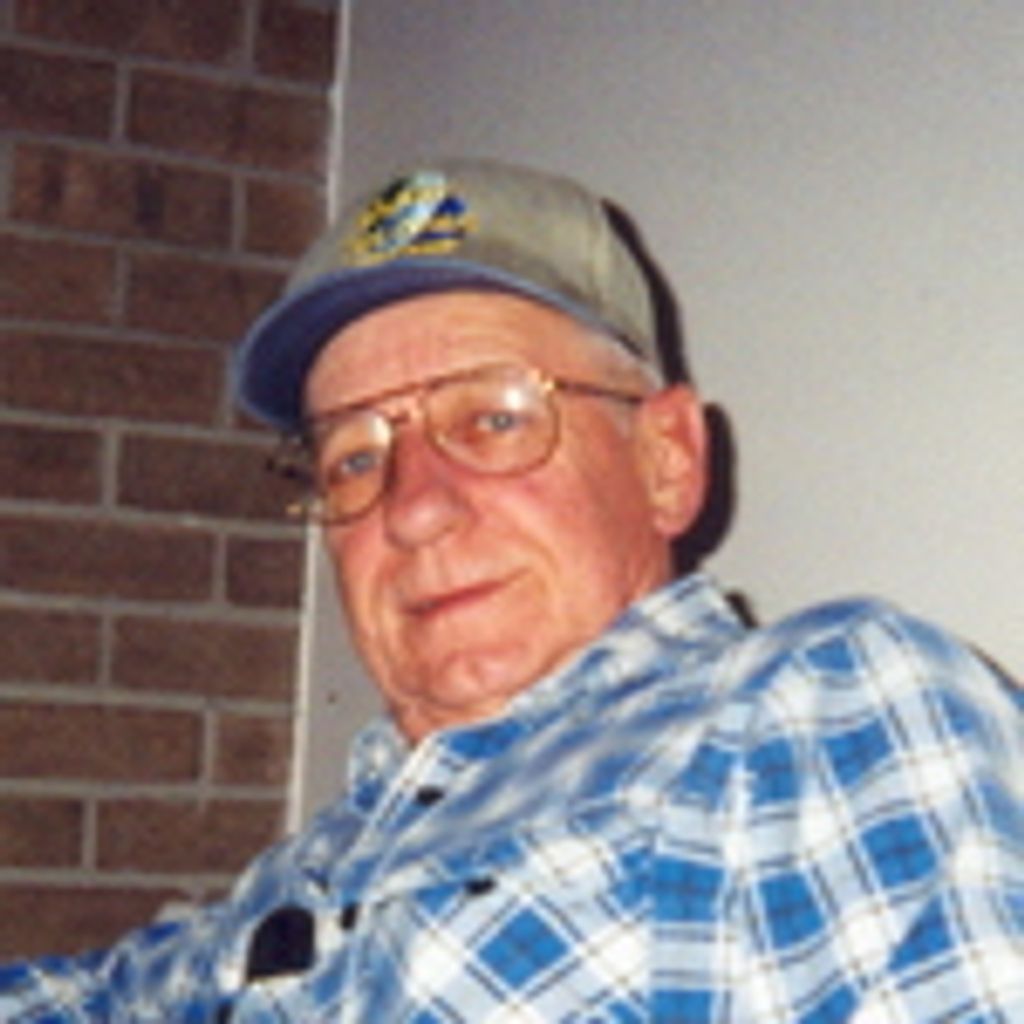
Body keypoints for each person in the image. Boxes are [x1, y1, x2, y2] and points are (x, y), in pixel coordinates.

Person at [2, 158, 1022, 1022]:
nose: (413, 507)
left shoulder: (815, 710)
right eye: (354, 457)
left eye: (492, 418)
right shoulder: (306, 874)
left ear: (666, 459)